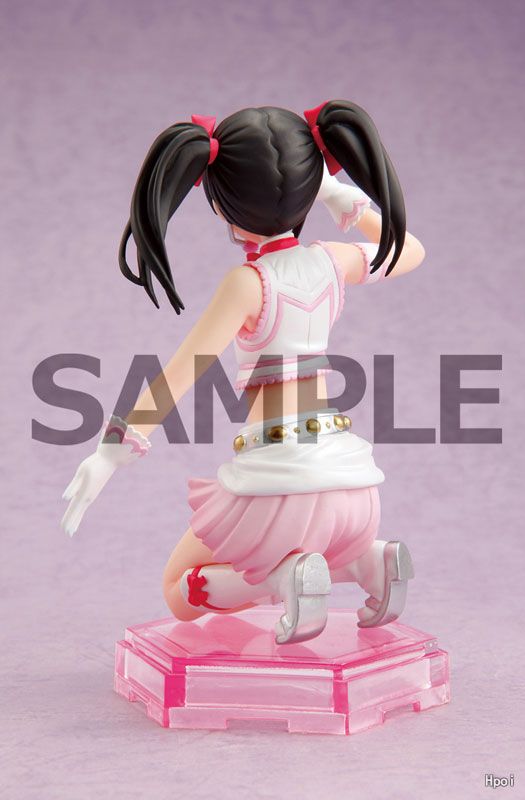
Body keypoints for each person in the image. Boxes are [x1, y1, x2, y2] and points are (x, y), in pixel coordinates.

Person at [61, 101, 425, 645]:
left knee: (179, 587)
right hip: (351, 481)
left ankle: (283, 581)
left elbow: (179, 375)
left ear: (221, 204)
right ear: (309, 184)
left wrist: (109, 454)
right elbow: (410, 249)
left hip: (279, 483)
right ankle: (369, 563)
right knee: (318, 545)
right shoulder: (333, 261)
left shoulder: (248, 284)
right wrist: (337, 195)